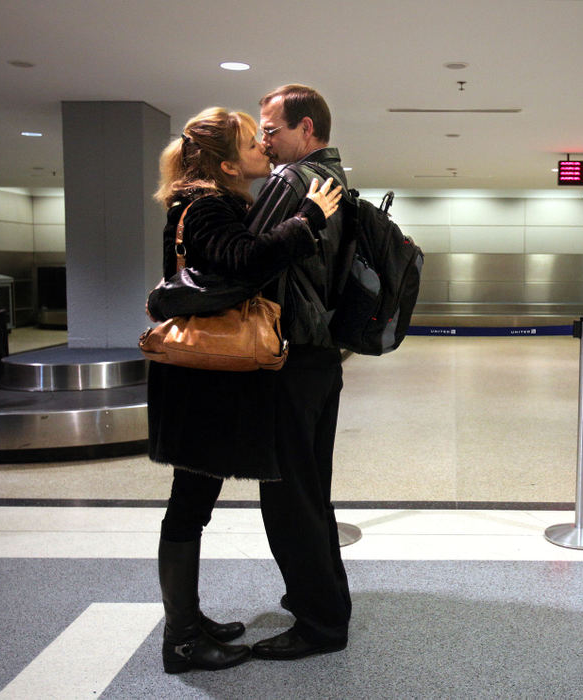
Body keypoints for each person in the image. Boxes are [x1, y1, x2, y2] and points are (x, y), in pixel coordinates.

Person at [148, 106, 341, 674]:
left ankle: (187, 622)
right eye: (253, 142)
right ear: (229, 162)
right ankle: (182, 640)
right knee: (188, 505)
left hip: (203, 377)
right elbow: (245, 264)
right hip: (202, 379)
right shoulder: (207, 205)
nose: (265, 146)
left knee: (192, 503)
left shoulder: (209, 202)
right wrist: (306, 218)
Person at [242, 84, 353, 661]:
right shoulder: (336, 179)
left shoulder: (290, 182)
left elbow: (247, 259)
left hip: (288, 354)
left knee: (287, 497)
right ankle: (329, 607)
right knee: (312, 492)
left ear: (306, 129)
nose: (265, 139)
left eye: (273, 129)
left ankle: (318, 625)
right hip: (322, 358)